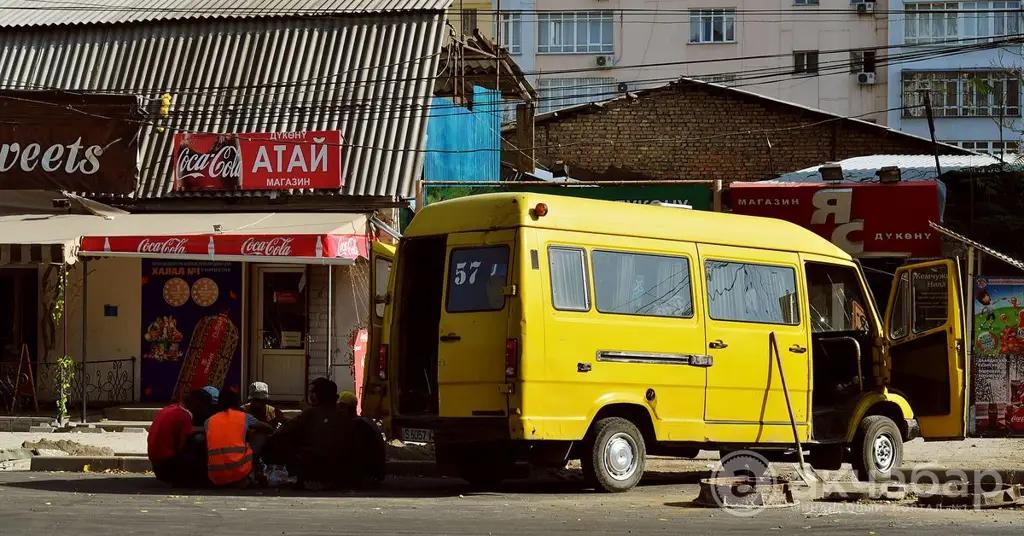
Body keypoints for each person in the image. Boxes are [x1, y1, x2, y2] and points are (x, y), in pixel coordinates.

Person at [263, 377, 350, 489]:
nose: (310, 396)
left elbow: (283, 432)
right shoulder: (343, 414)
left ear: (320, 394)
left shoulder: (311, 413)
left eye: (313, 392)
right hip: (339, 470)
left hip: (314, 467)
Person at [205, 389, 272, 487]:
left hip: (215, 476)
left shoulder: (209, 421)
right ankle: (253, 474)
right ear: (237, 403)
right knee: (260, 436)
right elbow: (268, 428)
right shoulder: (244, 417)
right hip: (238, 472)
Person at [148, 388, 212, 487]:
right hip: (167, 465)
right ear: (197, 404)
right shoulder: (184, 415)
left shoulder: (170, 409)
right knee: (199, 440)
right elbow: (182, 445)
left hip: (156, 463)